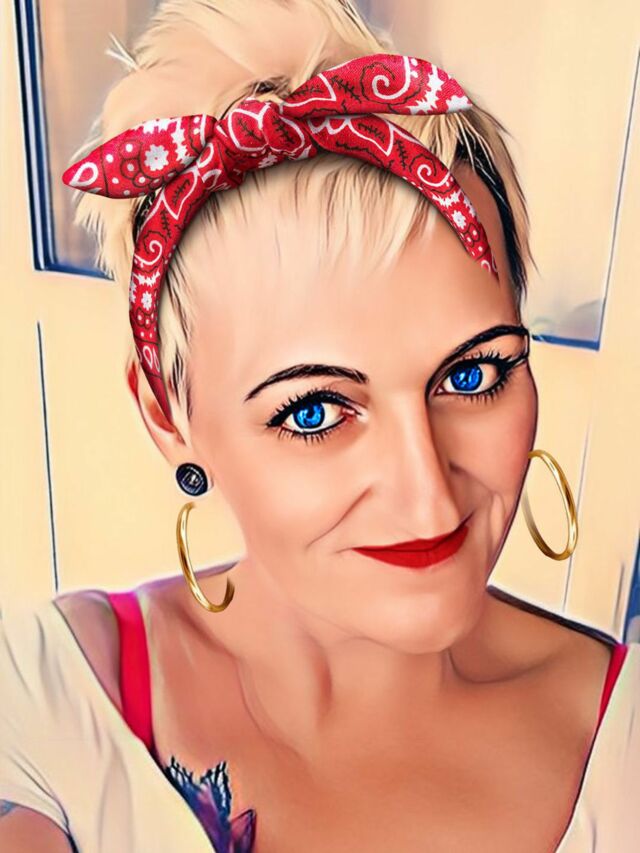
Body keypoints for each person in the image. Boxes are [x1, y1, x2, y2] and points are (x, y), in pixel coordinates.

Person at [1, 1, 638, 851]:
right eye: (314, 412)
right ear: (166, 413)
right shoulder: (42, 711)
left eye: (471, 376)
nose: (428, 496)